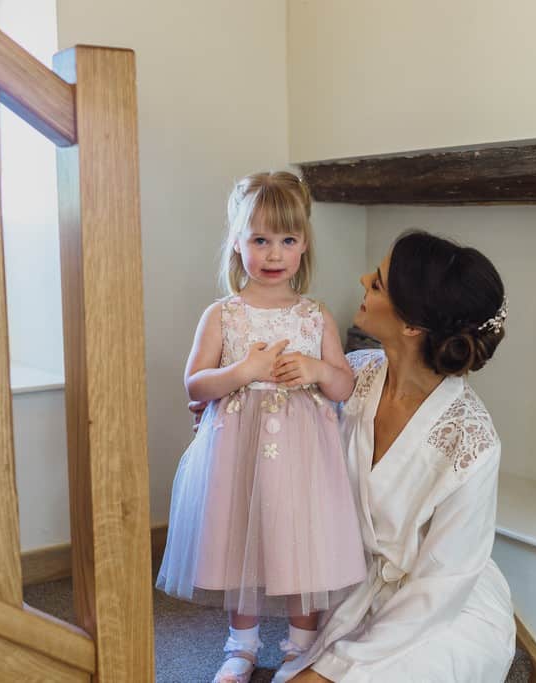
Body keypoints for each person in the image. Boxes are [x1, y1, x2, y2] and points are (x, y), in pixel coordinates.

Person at [275, 230, 517, 682]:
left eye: (379, 283)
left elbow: (443, 585)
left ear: (411, 326)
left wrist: (339, 669)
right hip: (356, 584)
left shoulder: (473, 443)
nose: (363, 278)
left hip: (443, 610)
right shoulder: (357, 377)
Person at [156, 171, 367, 683]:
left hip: (304, 455)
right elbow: (195, 385)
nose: (274, 255)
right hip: (237, 450)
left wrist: (317, 370)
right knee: (240, 542)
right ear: (237, 242)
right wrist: (240, 372)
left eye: (287, 241)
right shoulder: (223, 315)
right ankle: (242, 645)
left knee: (300, 542)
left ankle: (300, 644)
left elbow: (343, 385)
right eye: (260, 240)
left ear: (303, 245)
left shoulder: (315, 316)